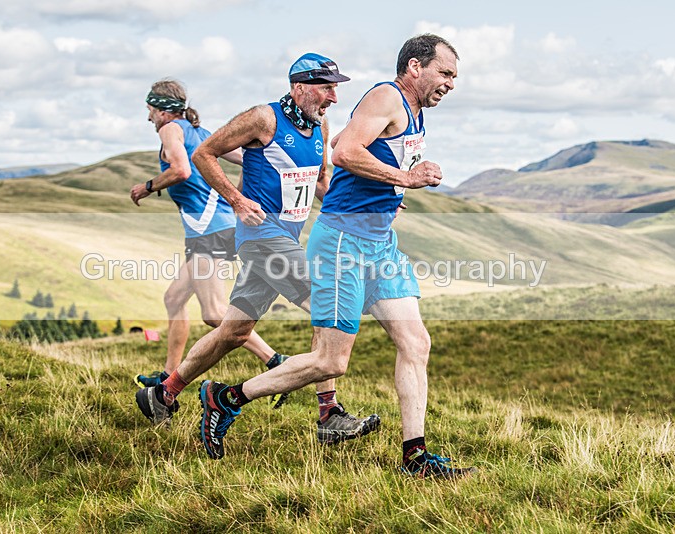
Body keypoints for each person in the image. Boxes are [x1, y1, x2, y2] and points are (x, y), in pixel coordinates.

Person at [196, 35, 478, 479]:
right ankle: (225, 399)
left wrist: (390, 188)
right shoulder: (388, 96)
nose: (450, 84)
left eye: (454, 77)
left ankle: (416, 458)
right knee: (330, 361)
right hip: (344, 242)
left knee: (415, 342)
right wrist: (404, 176)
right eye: (445, 74)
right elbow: (347, 152)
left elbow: (344, 143)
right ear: (415, 68)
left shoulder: (415, 111)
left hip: (380, 242)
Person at [136, 55, 380, 456]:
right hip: (259, 237)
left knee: (232, 331)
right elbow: (204, 155)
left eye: (336, 87)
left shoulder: (319, 123)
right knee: (326, 300)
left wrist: (357, 208)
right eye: (326, 87)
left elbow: (321, 181)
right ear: (299, 86)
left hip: (283, 238)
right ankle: (329, 413)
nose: (334, 96)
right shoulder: (263, 119)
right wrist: (235, 199)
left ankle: (165, 391)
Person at [129, 79, 289, 407]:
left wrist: (147, 186)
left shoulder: (170, 130)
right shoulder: (200, 133)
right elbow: (250, 159)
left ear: (161, 110)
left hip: (208, 232)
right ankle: (168, 372)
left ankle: (277, 362)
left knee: (215, 313)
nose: (149, 118)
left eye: (149, 111)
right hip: (217, 228)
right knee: (174, 298)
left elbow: (181, 170)